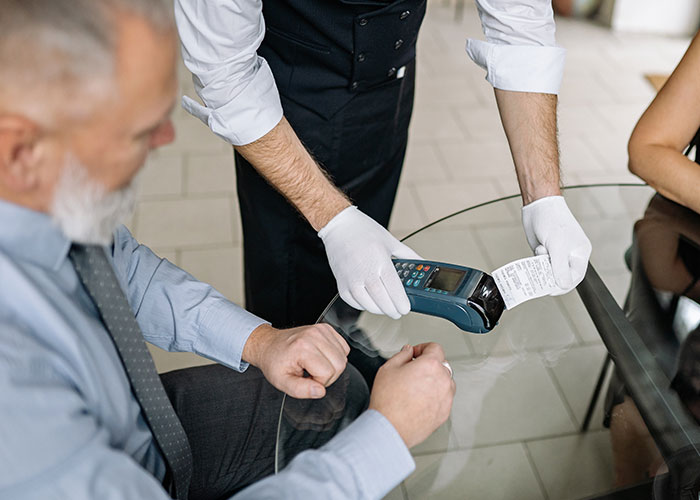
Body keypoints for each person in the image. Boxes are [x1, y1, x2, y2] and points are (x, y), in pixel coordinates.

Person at [0, 1, 456, 499]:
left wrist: (261, 342)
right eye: (138, 129)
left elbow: (119, 270)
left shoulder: (36, 201)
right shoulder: (18, 392)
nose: (167, 137)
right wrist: (386, 439)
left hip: (138, 420)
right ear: (21, 150)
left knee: (331, 395)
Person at [174, 0, 593, 329]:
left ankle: (344, 337)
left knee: (367, 267)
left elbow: (520, 22)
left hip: (389, 90)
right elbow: (225, 77)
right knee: (293, 302)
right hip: (287, 109)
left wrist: (544, 197)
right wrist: (333, 220)